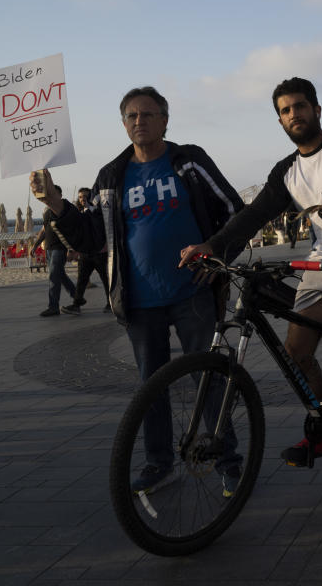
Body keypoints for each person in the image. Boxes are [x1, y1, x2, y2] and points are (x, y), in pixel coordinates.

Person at [178, 77, 322, 470]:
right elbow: (254, 215)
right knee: (296, 350)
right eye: (285, 111)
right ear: (281, 121)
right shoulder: (286, 171)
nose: (293, 115)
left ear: (317, 110)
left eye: (300, 106)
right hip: (321, 263)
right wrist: (212, 246)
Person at [30, 86, 246, 495]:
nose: (139, 121)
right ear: (123, 123)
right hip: (140, 302)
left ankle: (229, 461)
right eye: (131, 116)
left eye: (148, 114)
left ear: (165, 120)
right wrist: (55, 202)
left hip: (193, 293)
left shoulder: (189, 162)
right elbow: (92, 235)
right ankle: (158, 463)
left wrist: (215, 254)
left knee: (209, 379)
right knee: (152, 386)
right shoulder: (111, 176)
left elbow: (233, 209)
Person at [31, 185, 77, 316]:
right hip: (49, 248)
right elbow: (44, 230)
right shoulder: (47, 211)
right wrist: (36, 245)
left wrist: (71, 249)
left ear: (60, 195)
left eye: (54, 194)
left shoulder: (65, 209)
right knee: (60, 275)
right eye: (50, 194)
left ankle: (53, 307)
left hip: (60, 248)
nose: (51, 196)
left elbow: (72, 231)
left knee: (53, 276)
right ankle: (77, 296)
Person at [63, 188, 110, 314]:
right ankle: (76, 305)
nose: (82, 199)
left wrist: (90, 209)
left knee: (106, 280)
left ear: (90, 197)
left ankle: (111, 303)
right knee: (81, 280)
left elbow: (100, 228)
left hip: (99, 252)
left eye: (84, 196)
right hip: (85, 253)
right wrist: (72, 249)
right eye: (80, 197)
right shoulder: (79, 214)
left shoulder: (98, 212)